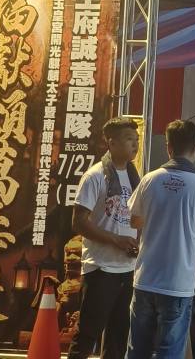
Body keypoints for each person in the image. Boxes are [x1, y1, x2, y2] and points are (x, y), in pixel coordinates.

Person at [127, 119, 195, 359]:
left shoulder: (149, 180)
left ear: (168, 147)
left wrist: (158, 222)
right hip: (178, 283)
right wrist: (189, 245)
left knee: (137, 349)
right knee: (170, 351)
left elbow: (134, 221)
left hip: (145, 278)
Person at [68, 117, 141, 359]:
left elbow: (138, 219)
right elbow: (78, 222)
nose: (135, 144)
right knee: (88, 334)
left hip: (128, 267)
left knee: (119, 336)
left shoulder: (134, 176)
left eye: (136, 139)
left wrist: (137, 243)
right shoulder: (95, 176)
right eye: (129, 139)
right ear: (111, 143)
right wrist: (116, 240)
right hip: (101, 268)